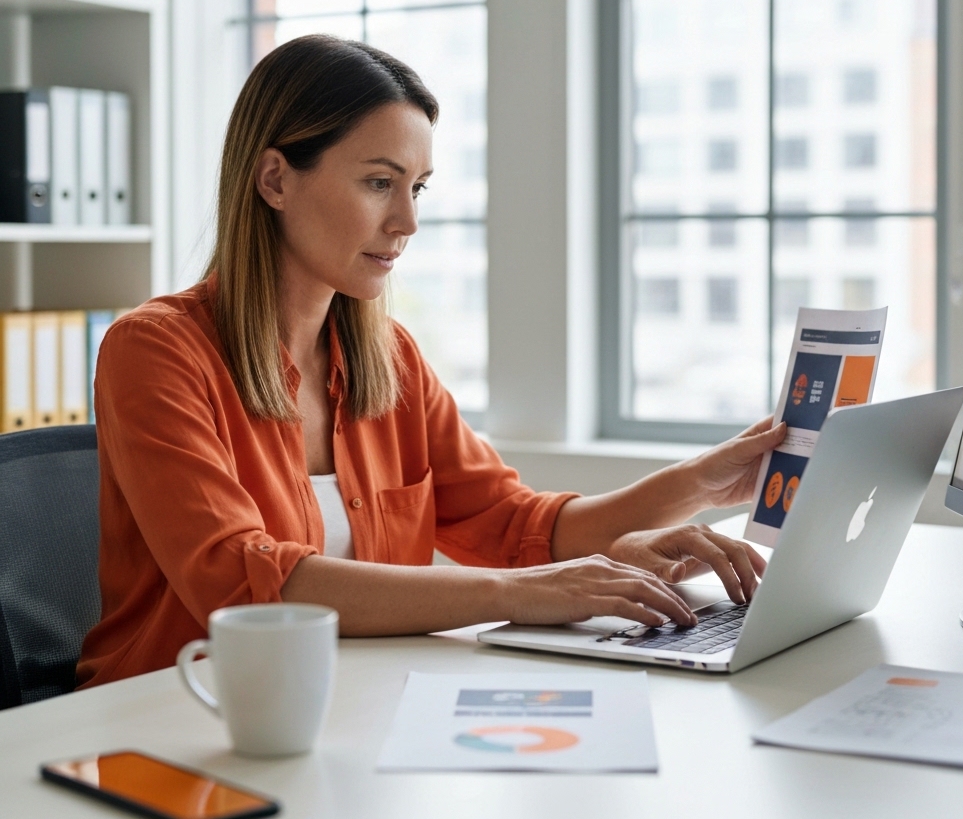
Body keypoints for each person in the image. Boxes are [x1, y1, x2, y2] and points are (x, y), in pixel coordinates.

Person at [77, 36, 786, 689]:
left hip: (350, 701)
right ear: (274, 180)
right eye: (379, 183)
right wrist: (517, 597)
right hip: (179, 713)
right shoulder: (156, 351)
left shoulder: (389, 361)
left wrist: (699, 483)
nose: (407, 223)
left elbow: (515, 527)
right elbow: (241, 582)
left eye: (416, 188)